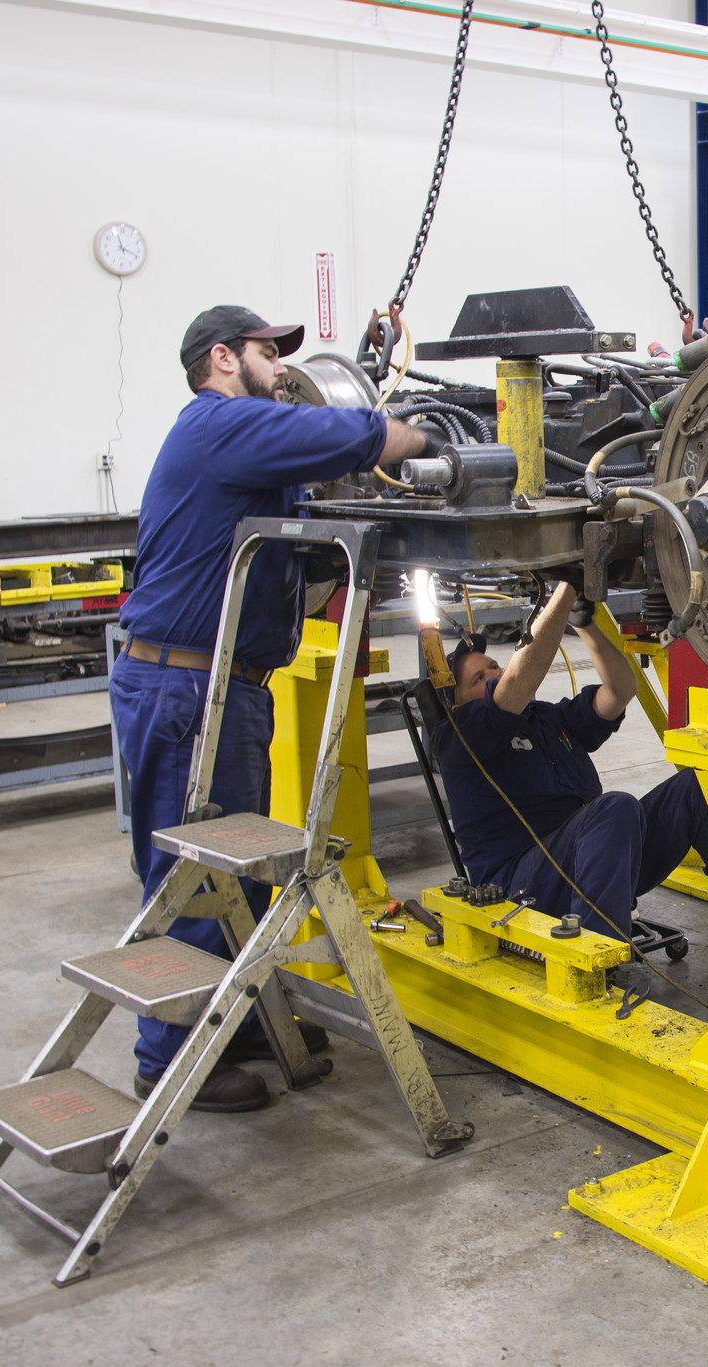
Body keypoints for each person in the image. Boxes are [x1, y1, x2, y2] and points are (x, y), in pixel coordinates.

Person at [113, 305, 443, 1113]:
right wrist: (420, 437)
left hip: (224, 688)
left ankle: (236, 1020)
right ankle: (167, 1061)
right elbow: (349, 440)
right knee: (194, 879)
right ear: (223, 359)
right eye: (269, 353)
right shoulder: (219, 424)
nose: (281, 369)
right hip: (186, 688)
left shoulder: (245, 449)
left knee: (244, 877)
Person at [437, 579, 708, 942]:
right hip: (520, 887)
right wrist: (567, 584)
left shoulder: (546, 718)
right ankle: (596, 961)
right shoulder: (460, 734)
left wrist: (585, 624)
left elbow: (619, 692)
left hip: (597, 860)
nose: (495, 674)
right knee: (614, 809)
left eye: (494, 665)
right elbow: (516, 685)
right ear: (457, 705)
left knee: (697, 787)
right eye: (480, 677)